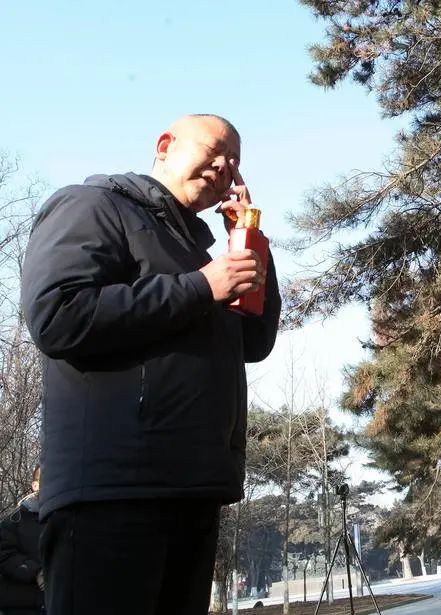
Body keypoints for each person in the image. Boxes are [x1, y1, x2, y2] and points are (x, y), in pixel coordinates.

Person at [20, 114, 281, 615]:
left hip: (194, 487)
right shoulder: (91, 205)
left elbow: (254, 341)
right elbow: (58, 315)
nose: (225, 167)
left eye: (234, 163)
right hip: (110, 494)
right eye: (215, 150)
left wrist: (248, 238)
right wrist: (201, 286)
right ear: (165, 145)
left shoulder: (201, 250)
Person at [0, 467, 45, 615]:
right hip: (23, 606)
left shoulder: (69, 518)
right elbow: (4, 555)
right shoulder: (14, 520)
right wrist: (35, 572)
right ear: (35, 485)